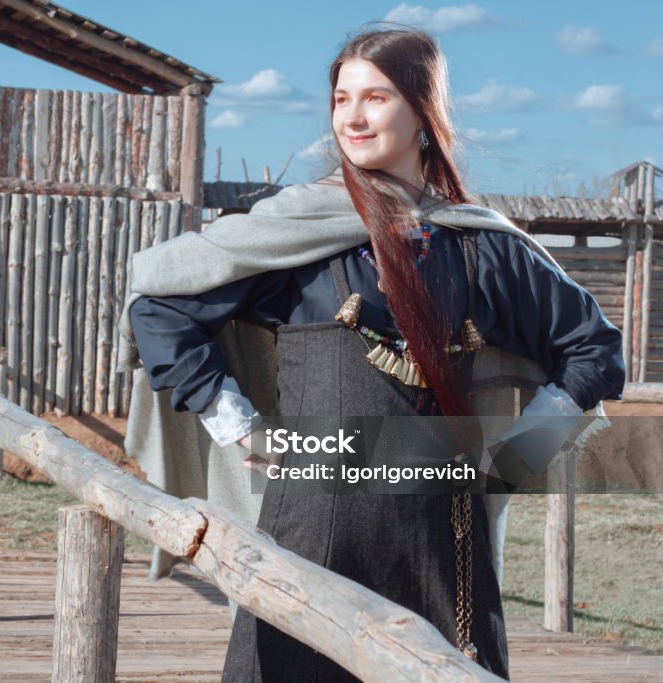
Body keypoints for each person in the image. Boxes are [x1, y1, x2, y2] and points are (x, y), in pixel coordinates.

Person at [120, 29, 625, 682]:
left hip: (446, 545)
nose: (353, 116)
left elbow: (594, 348)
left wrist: (523, 448)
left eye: (377, 97)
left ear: (424, 111)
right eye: (341, 98)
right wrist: (236, 422)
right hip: (312, 537)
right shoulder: (294, 231)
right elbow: (161, 304)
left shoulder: (480, 247)